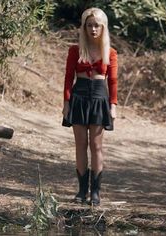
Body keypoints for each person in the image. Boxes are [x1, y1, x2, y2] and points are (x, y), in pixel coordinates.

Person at [62, 7, 118, 206]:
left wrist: (113, 105)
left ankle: (95, 192)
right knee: (80, 145)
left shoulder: (110, 52)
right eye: (89, 25)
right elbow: (69, 78)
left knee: (96, 146)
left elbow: (112, 80)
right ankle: (81, 191)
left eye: (97, 25)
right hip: (79, 96)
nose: (93, 29)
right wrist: (66, 103)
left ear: (103, 27)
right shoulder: (75, 50)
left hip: (99, 97)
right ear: (84, 27)